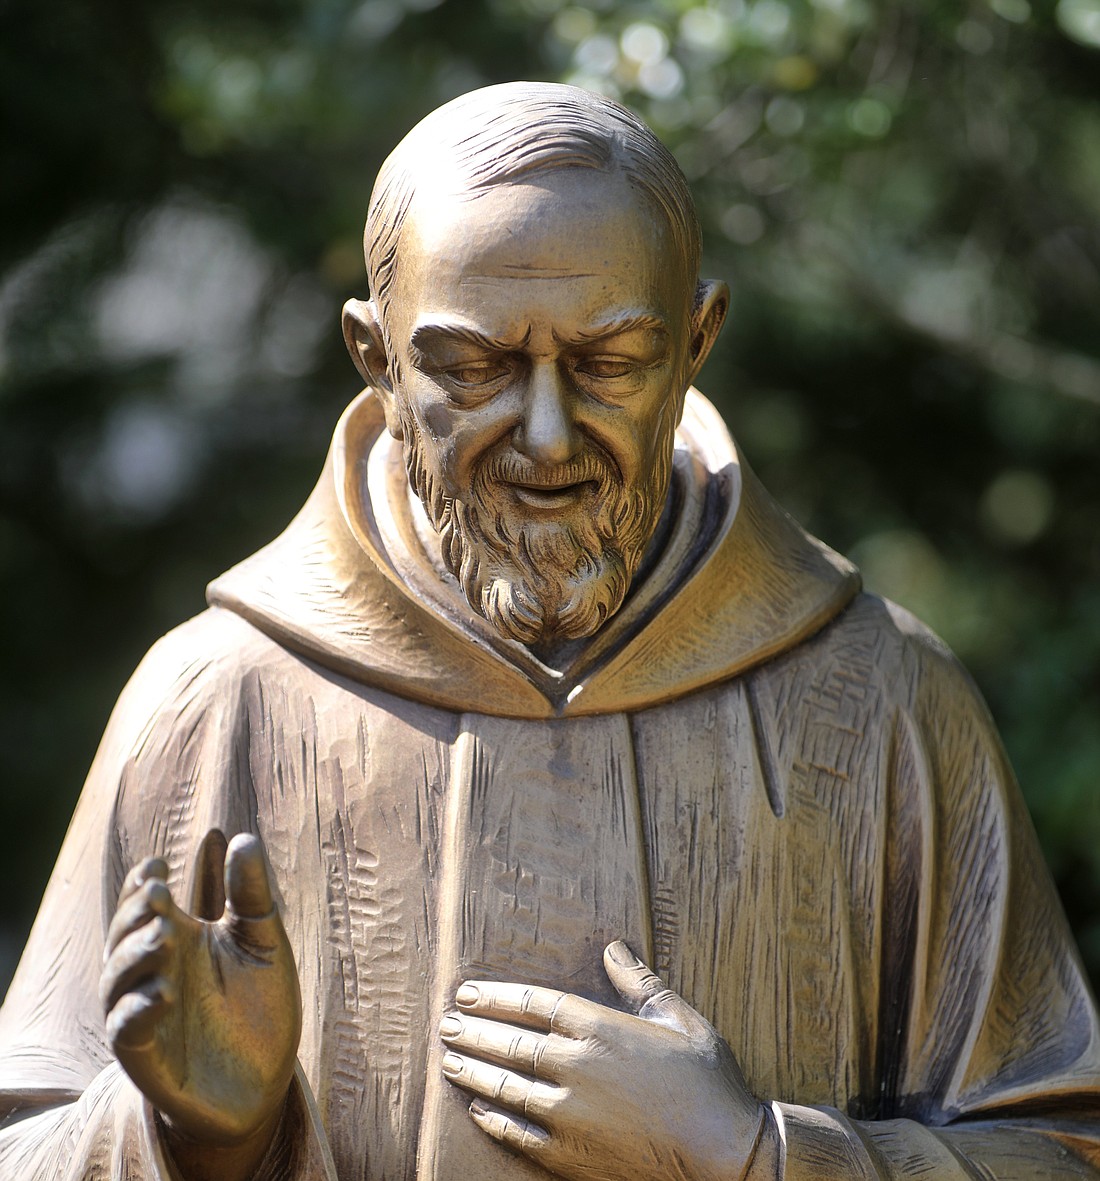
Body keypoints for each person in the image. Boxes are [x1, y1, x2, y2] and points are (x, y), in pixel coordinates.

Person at [1, 81, 1098, 1181]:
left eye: (607, 361)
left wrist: (754, 1155)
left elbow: (1064, 1149)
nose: (543, 432)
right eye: (470, 367)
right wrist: (187, 1134)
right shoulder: (215, 698)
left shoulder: (881, 697)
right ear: (375, 356)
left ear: (696, 339)